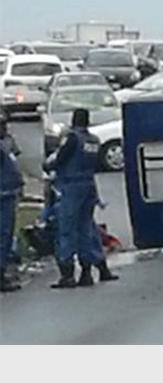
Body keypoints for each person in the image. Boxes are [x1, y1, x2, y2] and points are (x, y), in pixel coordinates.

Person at [44, 108, 102, 289]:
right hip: (89, 185)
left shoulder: (72, 138)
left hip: (71, 186)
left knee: (67, 229)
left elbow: (60, 159)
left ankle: (67, 274)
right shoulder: (94, 140)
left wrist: (48, 165)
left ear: (73, 120)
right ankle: (86, 272)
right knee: (85, 229)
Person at [1, 115, 23, 293]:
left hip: (8, 194)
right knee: (3, 236)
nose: (5, 129)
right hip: (3, 195)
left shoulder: (5, 144)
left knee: (6, 236)